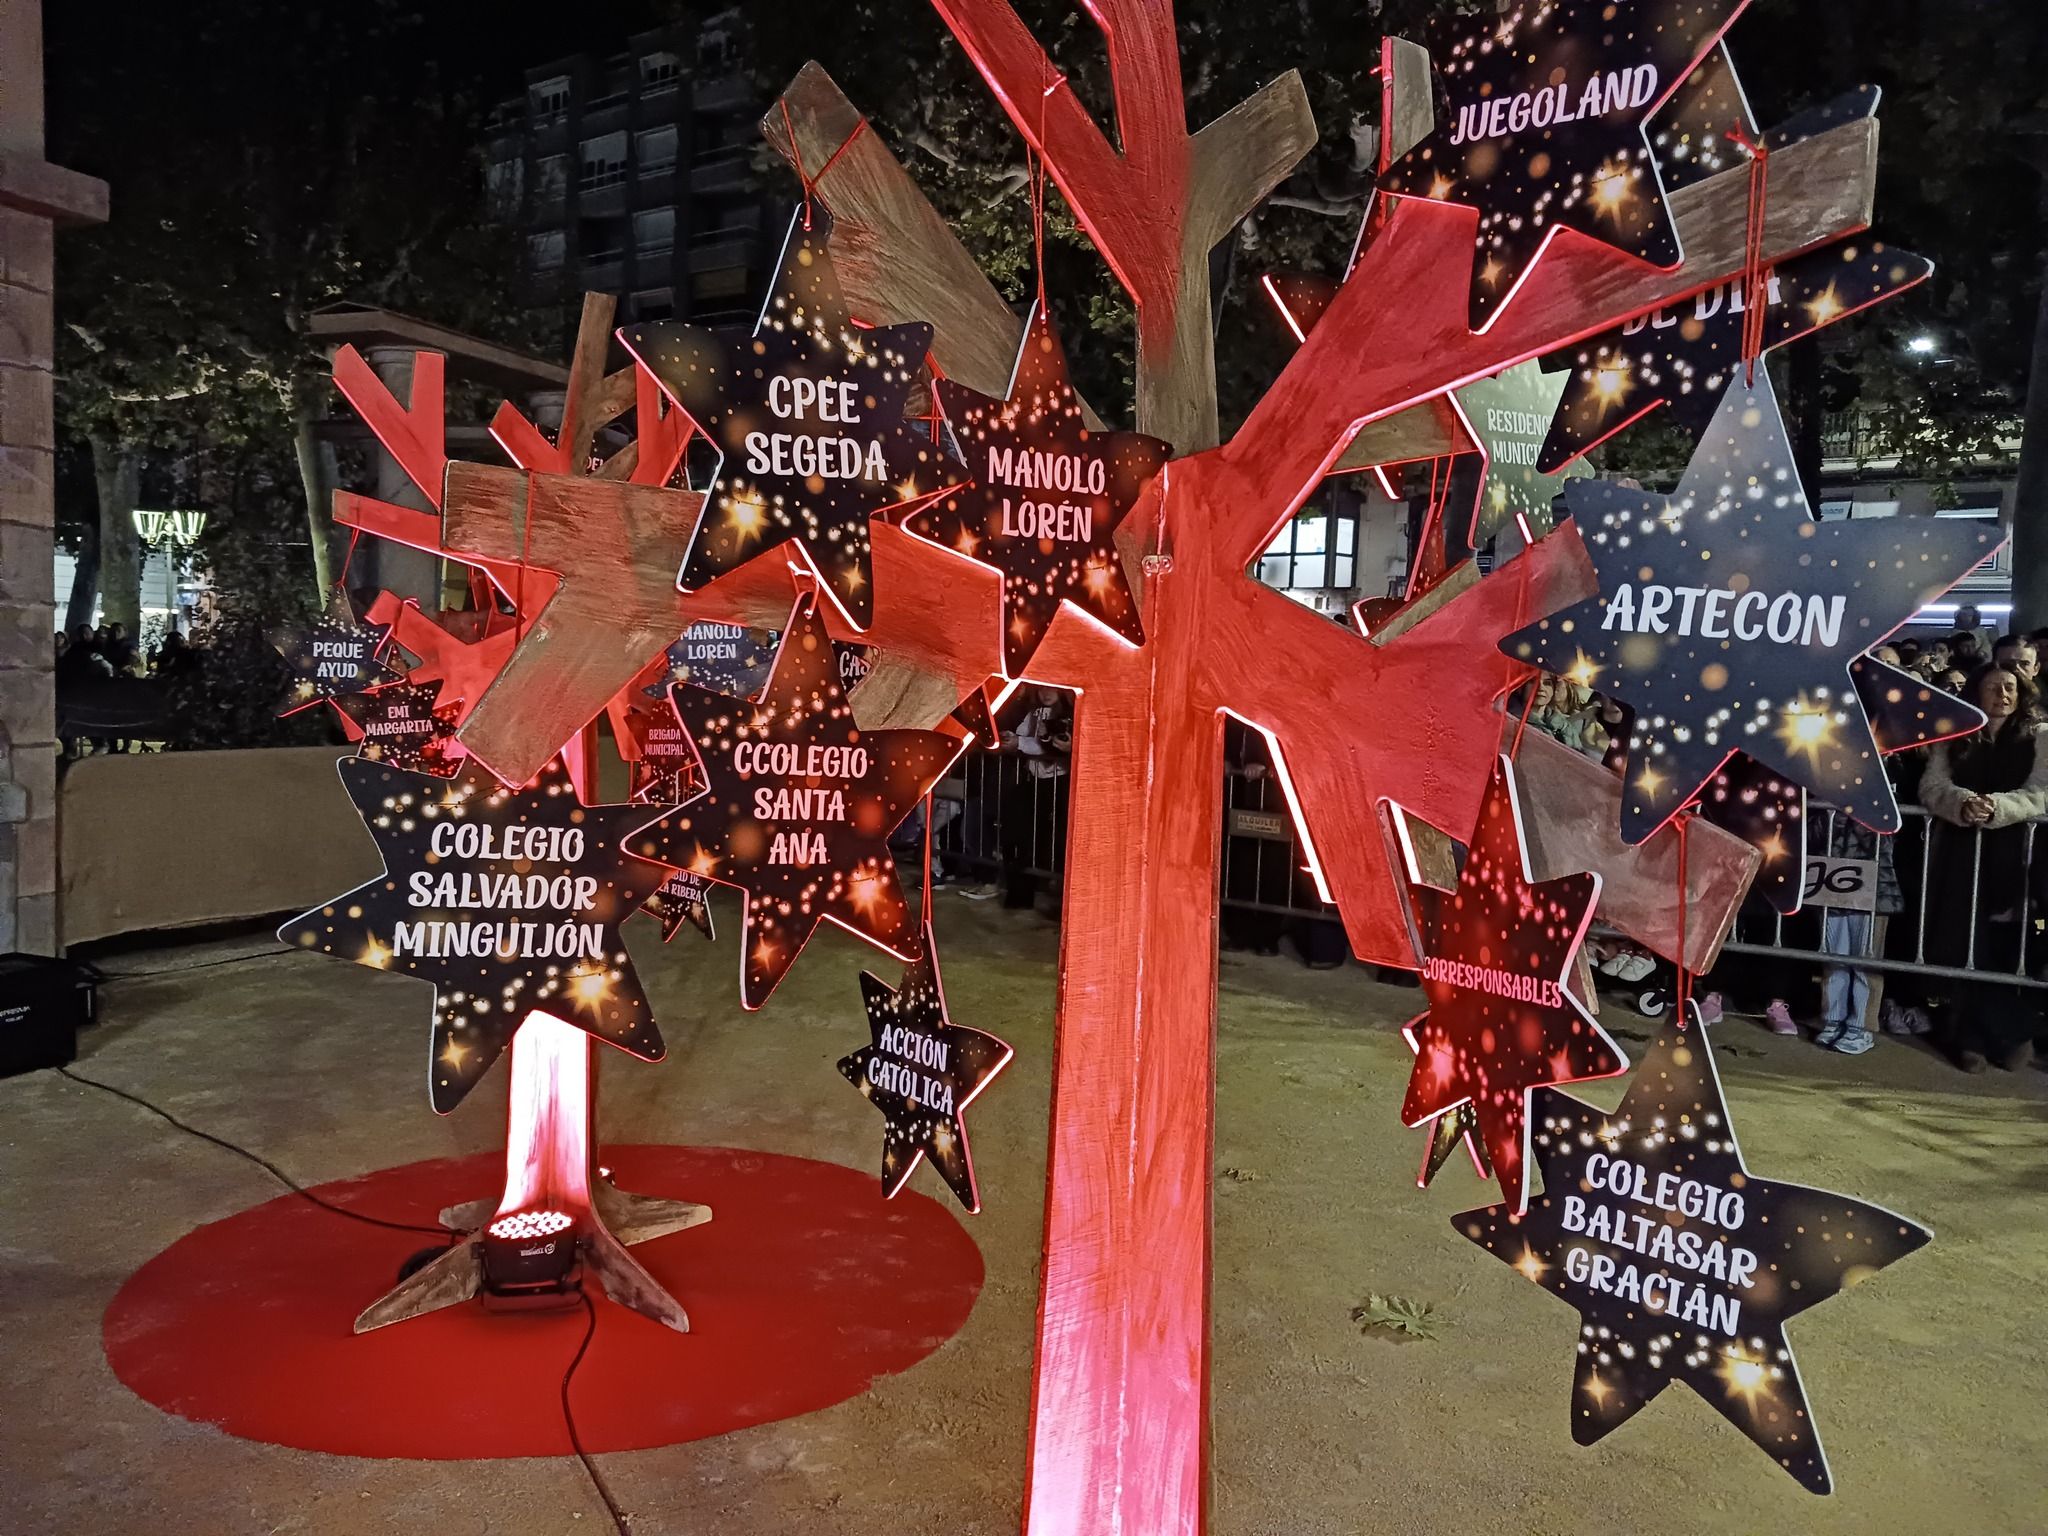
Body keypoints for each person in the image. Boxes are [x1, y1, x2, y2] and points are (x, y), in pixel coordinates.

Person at [1918, 664, 2048, 1071]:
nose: (2002, 695)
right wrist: (1962, 803)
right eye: (1992, 688)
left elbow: (2042, 792)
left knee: (2008, 946)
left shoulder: (2041, 737)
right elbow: (1932, 786)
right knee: (1964, 944)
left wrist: (1996, 808)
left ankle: (2005, 1031)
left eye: (2010, 687)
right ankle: (1978, 1037)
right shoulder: (1954, 736)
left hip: (2017, 856)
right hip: (1960, 856)